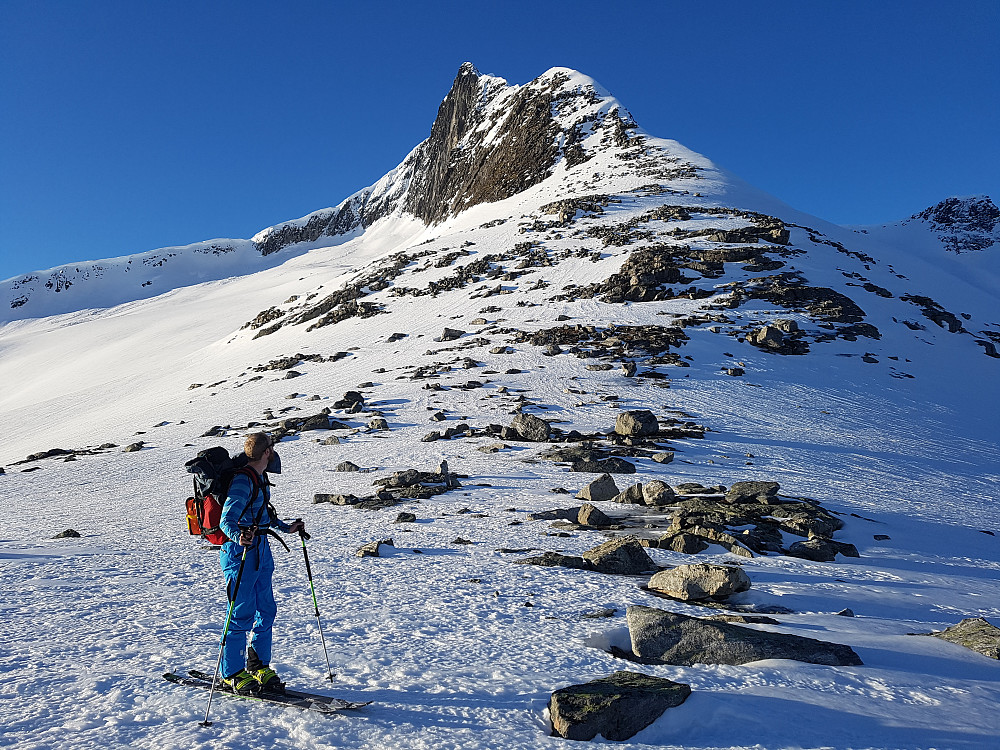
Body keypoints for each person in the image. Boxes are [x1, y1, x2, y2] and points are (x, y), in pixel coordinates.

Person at [218, 432, 305, 694]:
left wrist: (286, 527)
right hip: (241, 553)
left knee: (265, 610)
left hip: (261, 550)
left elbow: (263, 513)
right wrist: (239, 537)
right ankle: (231, 673)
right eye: (272, 448)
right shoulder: (243, 481)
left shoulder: (259, 478)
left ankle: (258, 666)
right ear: (267, 452)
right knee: (240, 612)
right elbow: (226, 520)